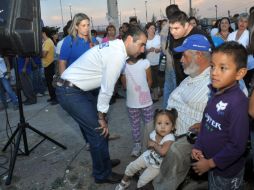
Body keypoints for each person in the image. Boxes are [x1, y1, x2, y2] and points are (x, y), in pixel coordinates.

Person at [55, 25, 147, 184]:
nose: (143, 49)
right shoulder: (117, 55)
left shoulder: (116, 47)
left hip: (77, 90)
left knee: (101, 130)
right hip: (70, 92)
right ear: (130, 39)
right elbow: (107, 89)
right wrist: (101, 116)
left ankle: (103, 162)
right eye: (141, 44)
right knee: (98, 130)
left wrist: (102, 117)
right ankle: (102, 174)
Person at [142, 34, 212, 190]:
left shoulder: (215, 79)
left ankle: (162, 185)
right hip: (172, 125)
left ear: (199, 55)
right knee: (148, 126)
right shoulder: (189, 77)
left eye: (184, 55)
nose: (180, 60)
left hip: (191, 136)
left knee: (176, 149)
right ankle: (148, 168)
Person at [192, 41, 249, 190]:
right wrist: (198, 145)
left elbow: (237, 146)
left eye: (222, 68)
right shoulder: (216, 91)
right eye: (212, 66)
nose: (214, 72)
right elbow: (206, 122)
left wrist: (209, 163)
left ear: (240, 73)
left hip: (227, 173)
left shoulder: (238, 104)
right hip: (211, 163)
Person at [115, 109, 177, 190]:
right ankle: (124, 183)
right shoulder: (154, 132)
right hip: (147, 156)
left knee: (142, 181)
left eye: (167, 123)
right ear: (155, 125)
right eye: (159, 123)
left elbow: (163, 152)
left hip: (157, 166)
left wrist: (154, 144)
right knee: (131, 167)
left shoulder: (170, 138)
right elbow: (148, 145)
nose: (162, 126)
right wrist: (153, 144)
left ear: (172, 127)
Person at [167, 10, 213, 85]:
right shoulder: (174, 36)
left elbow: (211, 59)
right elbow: (173, 52)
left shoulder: (200, 36)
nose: (172, 32)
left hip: (199, 83)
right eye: (170, 28)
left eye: (176, 28)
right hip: (182, 81)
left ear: (186, 25)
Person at [121, 53, 153, 157]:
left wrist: (142, 94)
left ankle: (150, 145)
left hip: (146, 102)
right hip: (132, 104)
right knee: (136, 125)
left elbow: (150, 81)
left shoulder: (145, 63)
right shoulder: (123, 66)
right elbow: (124, 85)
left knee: (149, 125)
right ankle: (137, 145)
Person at [145, 22, 161, 102]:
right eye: (151, 28)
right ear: (147, 29)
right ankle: (155, 96)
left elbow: (163, 47)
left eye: (154, 28)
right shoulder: (144, 40)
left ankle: (157, 93)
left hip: (159, 62)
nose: (153, 30)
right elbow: (142, 51)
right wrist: (148, 50)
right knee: (152, 79)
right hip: (149, 63)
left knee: (158, 78)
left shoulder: (158, 37)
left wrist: (159, 49)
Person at [42, 26, 57, 105]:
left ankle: (55, 98)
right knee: (49, 83)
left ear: (44, 33)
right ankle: (52, 97)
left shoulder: (48, 41)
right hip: (47, 65)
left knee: (51, 83)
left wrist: (38, 53)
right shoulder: (46, 41)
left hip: (49, 65)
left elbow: (44, 54)